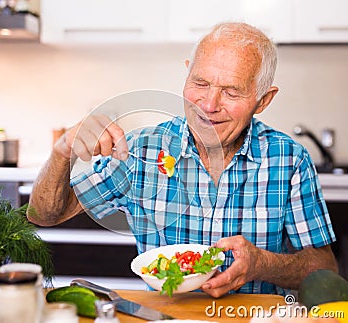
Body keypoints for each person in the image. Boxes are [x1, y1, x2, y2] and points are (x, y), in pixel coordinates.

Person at [27, 22, 337, 297]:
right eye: (200, 84)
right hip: (166, 316)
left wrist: (262, 264)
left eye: (231, 92)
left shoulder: (289, 160)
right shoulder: (141, 151)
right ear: (187, 72)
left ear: (263, 100)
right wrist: (61, 152)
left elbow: (325, 271)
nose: (209, 104)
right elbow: (44, 215)